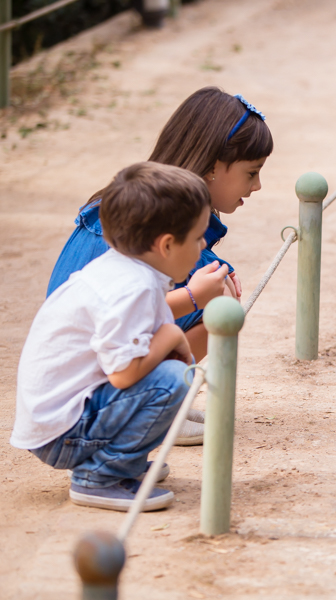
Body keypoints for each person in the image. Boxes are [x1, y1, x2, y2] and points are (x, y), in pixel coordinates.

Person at [45, 87, 273, 445]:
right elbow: (123, 310)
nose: (258, 185)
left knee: (214, 289)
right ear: (213, 166)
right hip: (83, 383)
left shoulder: (139, 204)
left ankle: (158, 401)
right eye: (251, 172)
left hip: (83, 359)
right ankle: (150, 410)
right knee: (219, 300)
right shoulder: (162, 228)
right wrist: (202, 292)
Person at [11, 162, 211, 511]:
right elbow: (124, 374)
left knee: (168, 371)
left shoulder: (126, 270)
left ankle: (122, 465)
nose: (204, 243)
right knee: (173, 379)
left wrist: (168, 339)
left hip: (64, 419)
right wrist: (170, 336)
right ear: (166, 245)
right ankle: (100, 476)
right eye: (197, 237)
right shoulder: (131, 288)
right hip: (62, 434)